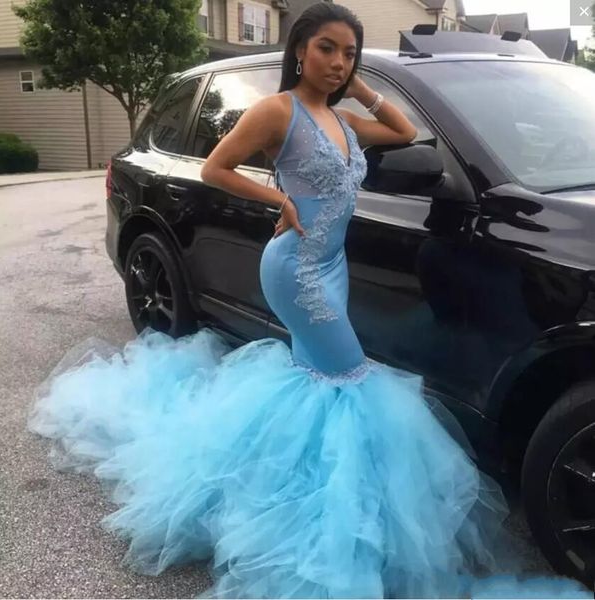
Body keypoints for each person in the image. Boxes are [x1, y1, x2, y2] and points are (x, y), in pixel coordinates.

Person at [29, 3, 591, 598]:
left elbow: (403, 133)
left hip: (332, 266)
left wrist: (363, 89)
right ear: (300, 49)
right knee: (350, 379)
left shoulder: (342, 119)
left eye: (349, 53)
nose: (338, 62)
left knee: (315, 383)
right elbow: (217, 167)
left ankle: (288, 486)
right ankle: (329, 520)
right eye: (327, 48)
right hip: (296, 267)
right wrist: (279, 200)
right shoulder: (279, 111)